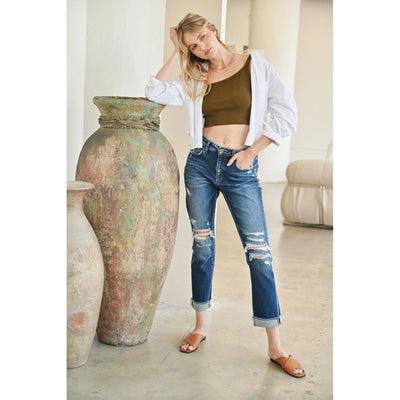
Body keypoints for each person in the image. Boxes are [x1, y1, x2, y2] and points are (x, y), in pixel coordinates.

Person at [145, 13, 305, 378]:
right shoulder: (194, 77)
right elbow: (154, 91)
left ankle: (276, 347)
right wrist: (176, 51)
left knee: (259, 253)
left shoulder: (256, 66)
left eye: (202, 37)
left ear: (213, 31)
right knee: (202, 246)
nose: (201, 47)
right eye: (192, 45)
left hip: (240, 166)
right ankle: (200, 326)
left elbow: (287, 114)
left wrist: (252, 152)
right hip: (201, 164)